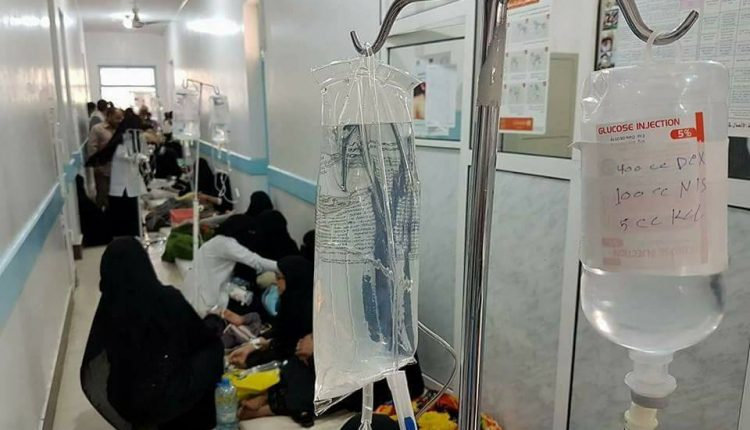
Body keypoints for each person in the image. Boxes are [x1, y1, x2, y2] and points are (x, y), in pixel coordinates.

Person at [81, 238, 224, 430]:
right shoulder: (167, 300)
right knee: (212, 350)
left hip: (127, 401)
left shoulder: (109, 310)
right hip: (167, 403)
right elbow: (199, 338)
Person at [181, 215, 278, 324]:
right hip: (203, 297)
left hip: (198, 290)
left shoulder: (218, 240)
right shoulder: (226, 244)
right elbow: (255, 261)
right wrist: (282, 267)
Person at [88, 113, 146, 237]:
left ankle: (133, 234)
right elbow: (124, 155)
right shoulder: (120, 141)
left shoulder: (131, 139)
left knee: (131, 212)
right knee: (123, 213)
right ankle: (126, 236)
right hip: (122, 184)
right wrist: (138, 157)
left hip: (129, 183)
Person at [88, 108, 124, 209]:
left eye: (121, 118)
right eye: (117, 118)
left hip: (119, 170)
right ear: (109, 116)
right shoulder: (97, 129)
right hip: (103, 170)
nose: (120, 121)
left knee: (116, 198)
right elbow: (92, 148)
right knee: (102, 197)